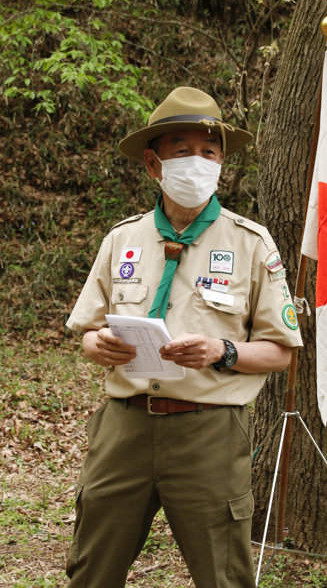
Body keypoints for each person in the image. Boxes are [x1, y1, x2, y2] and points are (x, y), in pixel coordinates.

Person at [66, 86, 303, 588]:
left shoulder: (251, 243)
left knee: (224, 575)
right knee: (92, 568)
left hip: (209, 433)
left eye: (209, 153)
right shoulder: (122, 239)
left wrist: (223, 350)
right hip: (123, 429)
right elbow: (87, 330)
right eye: (182, 152)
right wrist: (98, 345)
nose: (198, 163)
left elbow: (281, 351)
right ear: (154, 165)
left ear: (221, 165)